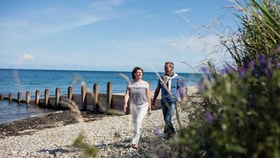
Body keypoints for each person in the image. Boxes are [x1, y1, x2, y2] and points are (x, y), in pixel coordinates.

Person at [152, 61, 184, 139]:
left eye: (167, 67)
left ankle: (172, 133)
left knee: (167, 118)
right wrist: (153, 100)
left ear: (171, 68)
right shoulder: (161, 78)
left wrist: (183, 100)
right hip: (163, 101)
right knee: (166, 119)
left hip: (172, 101)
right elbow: (157, 89)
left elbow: (180, 90)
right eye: (164, 67)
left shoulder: (177, 78)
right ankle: (167, 135)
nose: (165, 69)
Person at [123, 67, 152, 149]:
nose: (140, 74)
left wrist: (149, 108)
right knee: (135, 123)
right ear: (134, 74)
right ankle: (138, 137)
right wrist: (125, 103)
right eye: (138, 72)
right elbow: (127, 94)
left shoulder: (145, 84)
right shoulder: (130, 83)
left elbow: (148, 96)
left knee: (138, 121)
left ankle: (135, 142)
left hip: (143, 105)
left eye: (141, 72)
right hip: (133, 106)